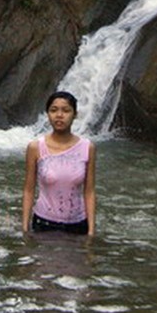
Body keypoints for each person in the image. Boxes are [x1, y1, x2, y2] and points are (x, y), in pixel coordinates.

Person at [22, 91, 97, 235]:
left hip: (78, 223)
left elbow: (90, 191)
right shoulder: (35, 147)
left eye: (66, 110)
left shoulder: (88, 147)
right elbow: (28, 189)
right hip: (43, 222)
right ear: (47, 114)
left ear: (75, 114)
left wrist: (91, 230)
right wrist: (25, 228)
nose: (59, 115)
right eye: (54, 110)